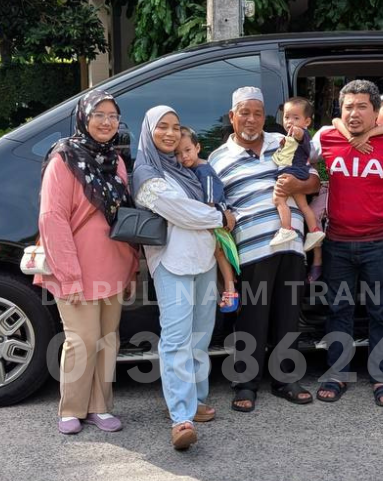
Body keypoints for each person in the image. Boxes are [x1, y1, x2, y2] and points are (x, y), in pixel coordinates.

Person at [310, 80, 383, 408]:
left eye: (362, 106)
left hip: (381, 242)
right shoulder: (326, 137)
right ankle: (337, 373)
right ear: (340, 111)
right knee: (338, 310)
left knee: (382, 311)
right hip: (336, 242)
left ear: (375, 112)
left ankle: (382, 377)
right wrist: (320, 183)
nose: (354, 113)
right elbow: (307, 166)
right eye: (348, 107)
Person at [208, 87, 319, 412]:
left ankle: (286, 379)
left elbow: (320, 172)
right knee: (252, 317)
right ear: (232, 116)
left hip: (292, 245)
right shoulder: (218, 158)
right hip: (251, 250)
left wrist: (302, 185)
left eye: (258, 113)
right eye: (245, 112)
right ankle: (245, 383)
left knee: (288, 313)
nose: (252, 119)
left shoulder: (282, 142)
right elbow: (216, 207)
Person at [34, 90, 138, 435]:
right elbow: (52, 218)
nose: (107, 122)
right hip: (76, 268)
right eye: (100, 115)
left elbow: (126, 216)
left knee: (108, 339)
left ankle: (100, 406)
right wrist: (69, 276)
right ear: (84, 117)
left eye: (113, 116)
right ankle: (72, 409)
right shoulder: (64, 158)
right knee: (81, 339)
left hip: (115, 265)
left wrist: (132, 266)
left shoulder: (117, 161)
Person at [133, 106, 236, 450]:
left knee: (199, 336)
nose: (170, 133)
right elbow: (180, 211)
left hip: (204, 259)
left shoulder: (186, 168)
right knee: (176, 339)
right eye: (162, 126)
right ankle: (180, 417)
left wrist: (213, 215)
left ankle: (196, 400)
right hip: (172, 262)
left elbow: (198, 209)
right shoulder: (146, 172)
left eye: (176, 127)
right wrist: (219, 215)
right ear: (149, 131)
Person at [313, 93, 383, 278]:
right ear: (375, 112)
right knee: (313, 210)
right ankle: (317, 257)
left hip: (382, 235)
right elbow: (336, 121)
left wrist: (368, 134)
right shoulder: (330, 133)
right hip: (337, 236)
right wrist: (351, 137)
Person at [176, 127, 241, 313]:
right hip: (208, 219)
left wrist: (210, 223)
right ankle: (227, 292)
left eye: (187, 150)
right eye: (178, 154)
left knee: (219, 253)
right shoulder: (191, 170)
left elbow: (210, 201)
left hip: (215, 219)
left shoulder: (204, 170)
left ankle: (230, 291)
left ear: (198, 147)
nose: (184, 157)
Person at [270, 97, 326, 251]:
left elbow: (299, 135)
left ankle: (286, 229)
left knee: (278, 199)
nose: (290, 121)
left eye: (296, 118)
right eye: (287, 117)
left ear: (307, 122)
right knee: (303, 205)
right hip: (299, 172)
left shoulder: (301, 133)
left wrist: (296, 131)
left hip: (292, 172)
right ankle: (314, 231)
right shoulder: (289, 137)